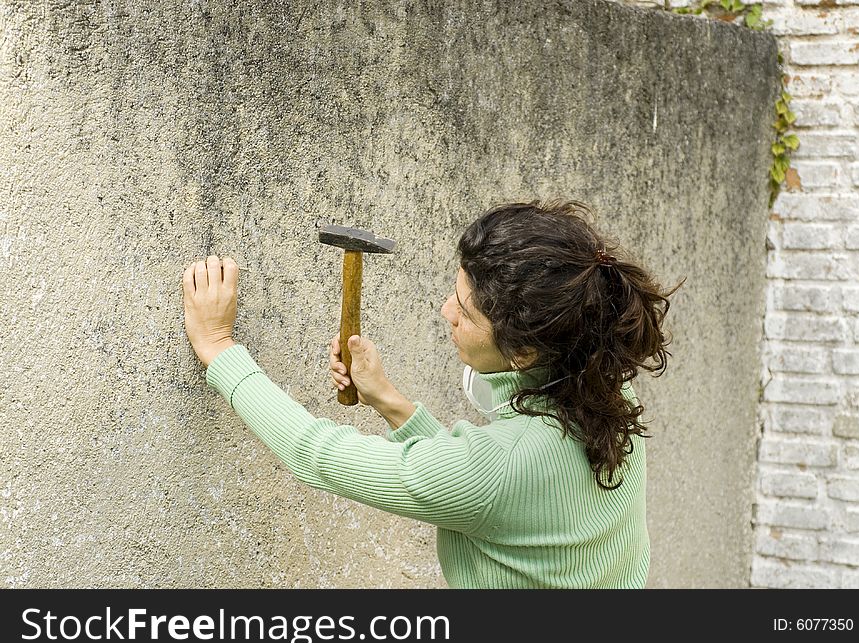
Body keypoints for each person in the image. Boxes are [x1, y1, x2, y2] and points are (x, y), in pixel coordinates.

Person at [182, 200, 684, 588]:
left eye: (465, 312)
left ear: (525, 353)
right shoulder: (606, 386)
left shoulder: (500, 467)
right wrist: (389, 402)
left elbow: (317, 455)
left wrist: (219, 348)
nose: (446, 311)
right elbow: (491, 482)